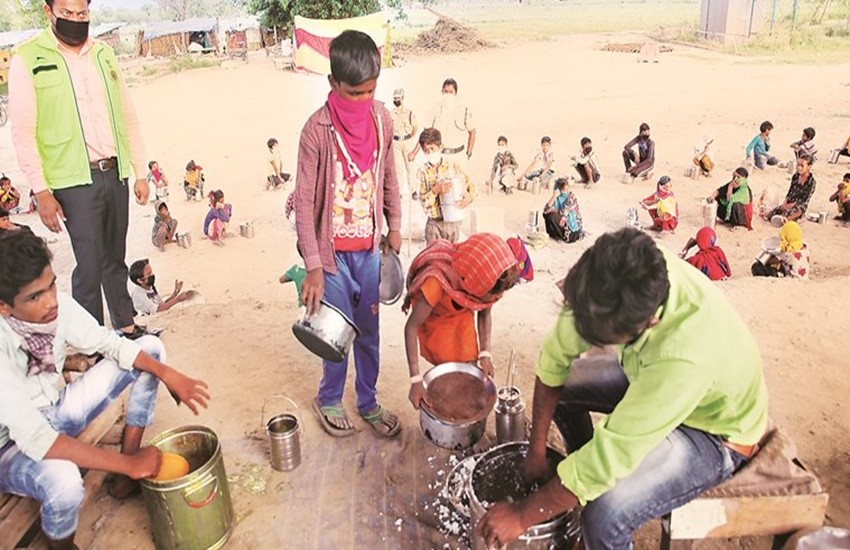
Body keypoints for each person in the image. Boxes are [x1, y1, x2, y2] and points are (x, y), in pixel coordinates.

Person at [476, 228, 768, 549]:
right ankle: (580, 479)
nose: (582, 334)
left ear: (647, 324)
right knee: (566, 393)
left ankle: (586, 485)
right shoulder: (618, 272)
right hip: (651, 375)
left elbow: (611, 456)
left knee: (603, 515)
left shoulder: (684, 356)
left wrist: (522, 515)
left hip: (713, 432)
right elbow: (554, 363)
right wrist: (537, 451)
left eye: (599, 337)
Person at [0, 231, 209, 550]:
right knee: (65, 482)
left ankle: (127, 469)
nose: (51, 301)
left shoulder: (58, 307)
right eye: (34, 297)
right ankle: (62, 545)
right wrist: (129, 465)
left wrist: (169, 374)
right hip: (11, 449)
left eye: (52, 285)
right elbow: (36, 438)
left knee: (150, 349)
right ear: (4, 307)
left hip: (54, 412)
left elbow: (110, 343)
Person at [9, 0, 150, 340]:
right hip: (73, 183)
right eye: (67, 14)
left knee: (115, 258)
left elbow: (128, 114)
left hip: (114, 173)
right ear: (49, 12)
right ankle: (91, 341)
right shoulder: (28, 59)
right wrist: (42, 191)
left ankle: (125, 325)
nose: (76, 20)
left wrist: (140, 170)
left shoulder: (104, 54)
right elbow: (23, 131)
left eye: (82, 14)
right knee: (89, 265)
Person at [294, 30, 403, 439]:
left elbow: (389, 176)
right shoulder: (316, 131)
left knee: (369, 332)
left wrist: (394, 226)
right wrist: (314, 266)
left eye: (370, 91)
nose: (363, 100)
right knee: (336, 332)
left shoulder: (382, 120)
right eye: (354, 93)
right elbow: (304, 201)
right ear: (333, 83)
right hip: (332, 255)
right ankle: (329, 398)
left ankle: (368, 400)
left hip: (370, 250)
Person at [402, 233, 522, 409]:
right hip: (438, 320)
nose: (498, 297)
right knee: (447, 370)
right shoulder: (436, 283)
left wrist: (485, 353)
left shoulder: (481, 281)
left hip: (461, 315)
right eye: (495, 294)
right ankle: (447, 404)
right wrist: (415, 380)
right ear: (474, 285)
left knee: (468, 363)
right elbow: (411, 328)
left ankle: (462, 403)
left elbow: (484, 313)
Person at [417, 127, 476, 244]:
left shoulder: (452, 166)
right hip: (434, 224)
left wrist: (469, 198)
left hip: (452, 223)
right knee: (434, 254)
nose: (430, 153)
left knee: (452, 253)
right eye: (426, 151)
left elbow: (470, 185)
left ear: (441, 147)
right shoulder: (423, 172)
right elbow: (423, 202)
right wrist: (435, 191)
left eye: (432, 149)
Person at [408, 78, 476, 168]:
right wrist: (414, 152)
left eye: (451, 92)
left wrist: (469, 151)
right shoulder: (435, 109)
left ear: (456, 93)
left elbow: (472, 132)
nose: (448, 95)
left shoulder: (463, 110)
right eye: (446, 91)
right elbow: (425, 134)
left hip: (458, 156)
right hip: (440, 156)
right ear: (442, 92)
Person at [129, 258, 195, 315]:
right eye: (149, 274)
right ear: (140, 280)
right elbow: (158, 310)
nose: (152, 275)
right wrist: (177, 299)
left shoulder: (151, 287)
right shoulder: (138, 293)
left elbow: (162, 305)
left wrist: (175, 294)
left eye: (151, 272)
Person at [766, 155, 816, 226]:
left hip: (799, 205)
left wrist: (791, 205)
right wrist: (785, 202)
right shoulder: (795, 177)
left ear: (809, 167)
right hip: (790, 201)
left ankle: (786, 219)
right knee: (771, 214)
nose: (799, 168)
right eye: (798, 165)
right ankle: (781, 217)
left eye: (802, 166)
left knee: (797, 210)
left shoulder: (811, 182)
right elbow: (790, 191)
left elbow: (805, 200)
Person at [390, 88, 418, 197]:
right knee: (398, 168)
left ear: (402, 98)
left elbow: (415, 127)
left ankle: (413, 190)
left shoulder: (409, 113)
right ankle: (400, 192)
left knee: (410, 166)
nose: (396, 100)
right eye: (395, 98)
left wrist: (410, 136)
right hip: (396, 142)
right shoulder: (391, 113)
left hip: (407, 141)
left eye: (398, 98)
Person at [543, 178, 583, 243]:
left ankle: (562, 236)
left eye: (566, 189)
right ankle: (553, 234)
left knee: (552, 216)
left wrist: (555, 210)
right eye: (564, 190)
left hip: (572, 232)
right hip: (565, 223)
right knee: (546, 214)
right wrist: (554, 196)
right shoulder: (558, 198)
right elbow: (545, 210)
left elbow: (564, 213)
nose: (565, 192)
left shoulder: (571, 197)